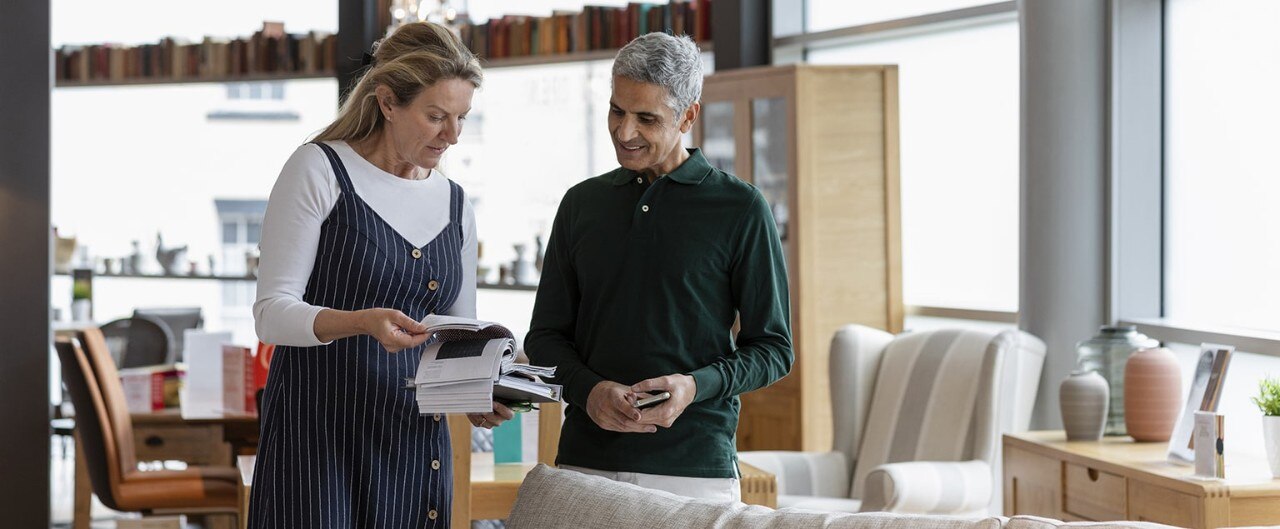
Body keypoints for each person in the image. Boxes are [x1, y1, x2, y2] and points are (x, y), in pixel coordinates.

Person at [249, 22, 511, 529]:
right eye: (436, 116)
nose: (453, 136)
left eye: (461, 117)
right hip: (319, 440)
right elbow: (271, 315)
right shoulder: (318, 169)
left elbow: (457, 333)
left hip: (414, 443)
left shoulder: (456, 204)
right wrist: (360, 322)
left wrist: (480, 393)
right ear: (388, 102)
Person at [525, 32, 793, 501]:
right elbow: (545, 338)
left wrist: (694, 386)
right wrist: (589, 392)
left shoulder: (740, 208)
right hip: (584, 466)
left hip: (694, 473)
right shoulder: (581, 204)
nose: (624, 132)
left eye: (646, 118)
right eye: (617, 111)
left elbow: (773, 348)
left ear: (688, 116)